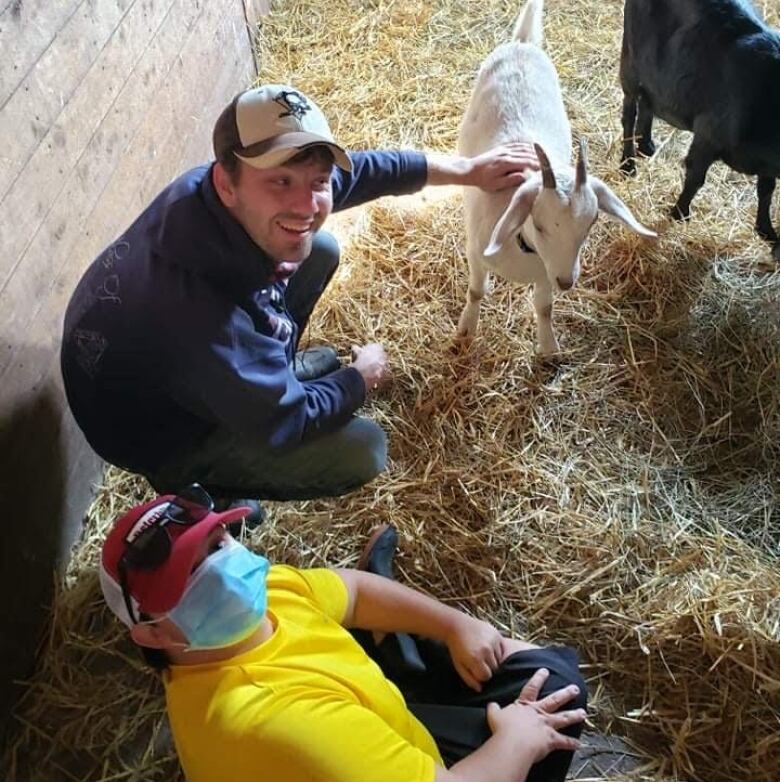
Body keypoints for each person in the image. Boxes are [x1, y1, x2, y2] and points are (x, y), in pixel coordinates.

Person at [61, 84, 539, 510]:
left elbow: (363, 172)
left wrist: (467, 170)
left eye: (317, 182)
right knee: (363, 448)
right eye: (281, 181)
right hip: (158, 431)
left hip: (176, 366)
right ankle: (196, 485)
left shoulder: (214, 193)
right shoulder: (204, 314)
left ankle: (265, 378)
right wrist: (360, 377)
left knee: (318, 246)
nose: (307, 204)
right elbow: (289, 418)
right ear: (227, 183)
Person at [99, 485, 588, 782]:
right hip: (342, 744)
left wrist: (455, 623)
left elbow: (351, 593)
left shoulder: (258, 597)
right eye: (191, 578)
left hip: (364, 719)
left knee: (534, 673)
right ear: (153, 635)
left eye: (217, 541)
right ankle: (397, 654)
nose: (225, 569)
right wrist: (519, 740)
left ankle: (393, 653)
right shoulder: (274, 723)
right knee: (554, 706)